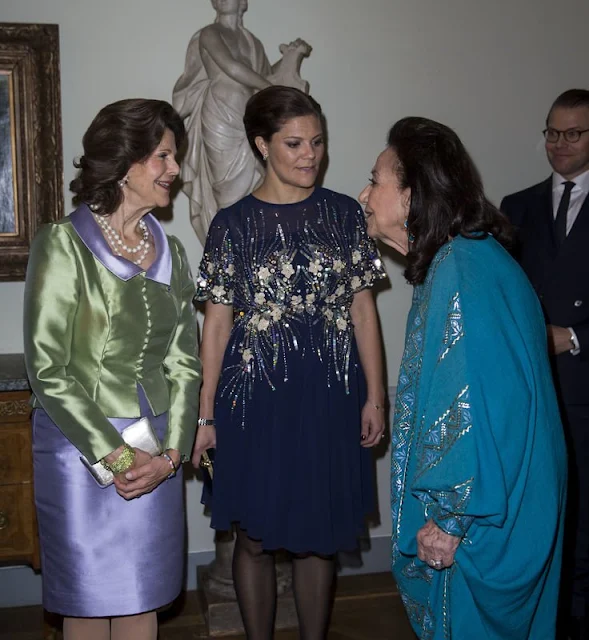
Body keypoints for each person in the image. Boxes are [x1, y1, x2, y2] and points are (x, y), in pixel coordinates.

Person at [359, 116, 567, 639]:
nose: (364, 194)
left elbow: (479, 405)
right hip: (511, 500)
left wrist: (452, 520)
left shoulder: (461, 267)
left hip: (483, 519)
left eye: (376, 181)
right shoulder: (468, 256)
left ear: (412, 196)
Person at [192, 85, 387, 639]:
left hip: (328, 398)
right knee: (251, 539)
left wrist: (375, 395)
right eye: (294, 143)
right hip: (252, 402)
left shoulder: (345, 214)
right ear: (261, 144)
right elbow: (217, 326)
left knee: (316, 535)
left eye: (317, 142)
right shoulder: (231, 225)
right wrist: (206, 417)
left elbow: (364, 314)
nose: (310, 155)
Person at [23, 99, 201, 640]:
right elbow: (48, 368)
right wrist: (119, 455)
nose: (175, 169)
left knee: (140, 592)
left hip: (156, 452)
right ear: (126, 162)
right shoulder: (63, 245)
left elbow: (185, 362)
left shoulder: (172, 252)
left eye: (175, 157)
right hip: (80, 451)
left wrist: (170, 455)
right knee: (89, 596)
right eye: (163, 156)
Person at [500, 89, 589, 640]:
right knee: (542, 516)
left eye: (573, 133)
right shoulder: (517, 205)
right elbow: (504, 296)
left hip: (584, 383)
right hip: (531, 392)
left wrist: (576, 336)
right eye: (552, 132)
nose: (558, 144)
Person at [172, 0, 310, 244]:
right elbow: (232, 68)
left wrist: (289, 58)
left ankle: (253, 249)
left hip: (250, 120)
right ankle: (229, 252)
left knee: (259, 183)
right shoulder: (210, 33)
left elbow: (263, 75)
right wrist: (271, 87)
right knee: (226, 190)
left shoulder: (252, 41)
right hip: (220, 118)